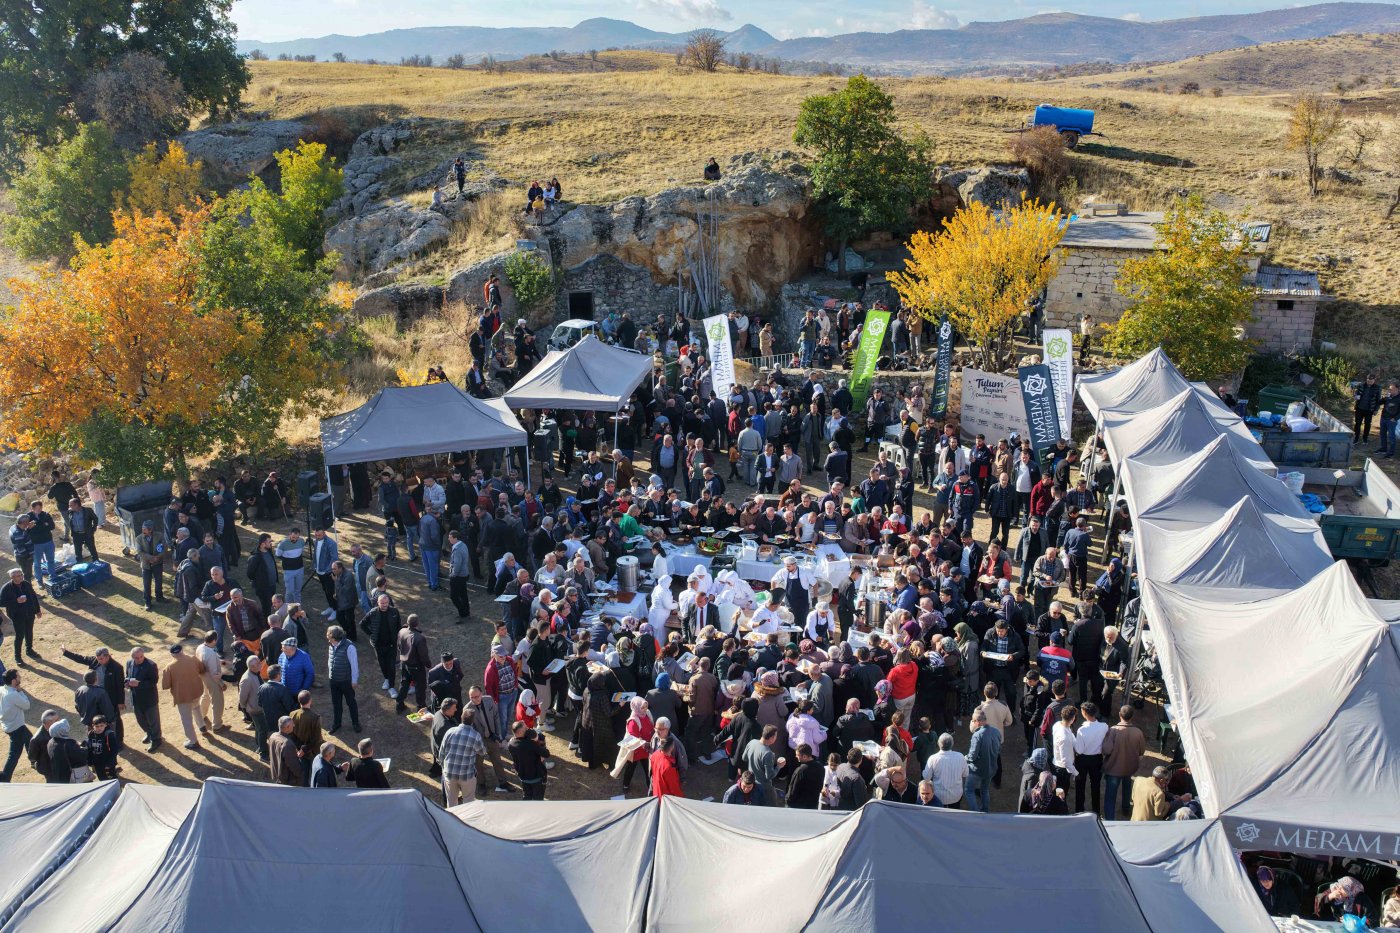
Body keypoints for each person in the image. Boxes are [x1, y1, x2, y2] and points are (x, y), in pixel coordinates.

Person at [1101, 704, 1146, 820]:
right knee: (1127, 789)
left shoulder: (1113, 730)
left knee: (1110, 796)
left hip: (1113, 769)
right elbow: (1142, 751)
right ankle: (1126, 809)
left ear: (1120, 715)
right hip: (1129, 768)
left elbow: (1106, 750)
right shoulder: (1138, 732)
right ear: (1132, 717)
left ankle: (1110, 820)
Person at [440, 710, 489, 805]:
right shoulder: (475, 735)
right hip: (466, 775)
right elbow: (482, 752)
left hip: (449, 773)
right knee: (468, 802)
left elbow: (441, 753)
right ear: (472, 721)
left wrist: (444, 768)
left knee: (451, 801)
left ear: (461, 718)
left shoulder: (450, 731)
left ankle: (452, 818)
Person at [162, 644, 206, 749]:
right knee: (196, 708)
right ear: (182, 651)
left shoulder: (169, 667)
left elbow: (165, 686)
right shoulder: (193, 658)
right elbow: (202, 669)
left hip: (183, 697)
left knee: (186, 719)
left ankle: (193, 741)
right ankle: (202, 726)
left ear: (172, 655)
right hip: (197, 692)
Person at [0, 567, 41, 666]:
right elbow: (1, 602)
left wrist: (37, 610)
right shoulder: (6, 588)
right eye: (19, 576)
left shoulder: (26, 584)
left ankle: (29, 650)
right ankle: (17, 657)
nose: (21, 577)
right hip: (17, 616)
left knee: (29, 632)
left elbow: (33, 596)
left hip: (29, 613)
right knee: (19, 636)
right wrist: (16, 601)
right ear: (12, 577)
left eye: (21, 574)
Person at [326, 625, 362, 734]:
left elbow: (354, 665)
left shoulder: (350, 647)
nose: (327, 638)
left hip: (346, 681)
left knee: (351, 702)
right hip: (334, 680)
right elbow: (330, 660)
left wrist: (354, 680)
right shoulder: (331, 645)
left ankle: (356, 723)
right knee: (336, 703)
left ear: (335, 637)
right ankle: (337, 724)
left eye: (329, 636)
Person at [0, 670, 33, 782]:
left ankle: (34, 760)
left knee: (30, 739)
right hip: (16, 727)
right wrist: (20, 691)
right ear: (14, 681)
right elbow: (27, 705)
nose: (20, 678)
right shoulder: (13, 694)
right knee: (14, 754)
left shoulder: (2, 689)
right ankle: (5, 777)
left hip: (9, 725)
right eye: (18, 676)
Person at [965, 710, 1000, 812]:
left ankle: (976, 813)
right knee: (984, 789)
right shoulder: (996, 731)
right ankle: (985, 810)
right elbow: (998, 750)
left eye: (972, 721)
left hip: (978, 770)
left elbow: (972, 756)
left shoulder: (977, 735)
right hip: (991, 768)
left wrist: (965, 758)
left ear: (977, 721)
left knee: (969, 790)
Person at [508, 720, 551, 800]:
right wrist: (538, 741)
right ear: (520, 732)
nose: (528, 729)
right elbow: (546, 754)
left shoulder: (511, 743)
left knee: (527, 796)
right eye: (526, 728)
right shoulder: (531, 744)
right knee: (537, 799)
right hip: (536, 777)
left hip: (523, 776)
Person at [195, 631, 227, 736]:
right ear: (213, 640)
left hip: (202, 677)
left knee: (205, 696)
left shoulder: (200, 647)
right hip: (212, 679)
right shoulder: (211, 654)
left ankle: (202, 716)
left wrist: (218, 661)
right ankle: (217, 726)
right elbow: (215, 674)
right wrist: (222, 684)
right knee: (217, 702)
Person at [45, 719, 84, 784]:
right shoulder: (68, 744)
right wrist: (83, 748)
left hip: (58, 774)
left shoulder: (50, 742)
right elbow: (82, 757)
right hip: (72, 776)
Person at [267, 716, 302, 787]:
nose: (294, 725)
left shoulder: (273, 736)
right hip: (288, 780)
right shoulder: (287, 744)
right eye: (292, 724)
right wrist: (301, 774)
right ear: (287, 727)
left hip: (276, 773)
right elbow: (293, 766)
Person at [650, 734, 683, 798]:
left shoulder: (655, 755)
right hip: (666, 797)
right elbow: (674, 787)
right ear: (671, 747)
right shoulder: (668, 767)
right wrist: (681, 797)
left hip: (657, 790)